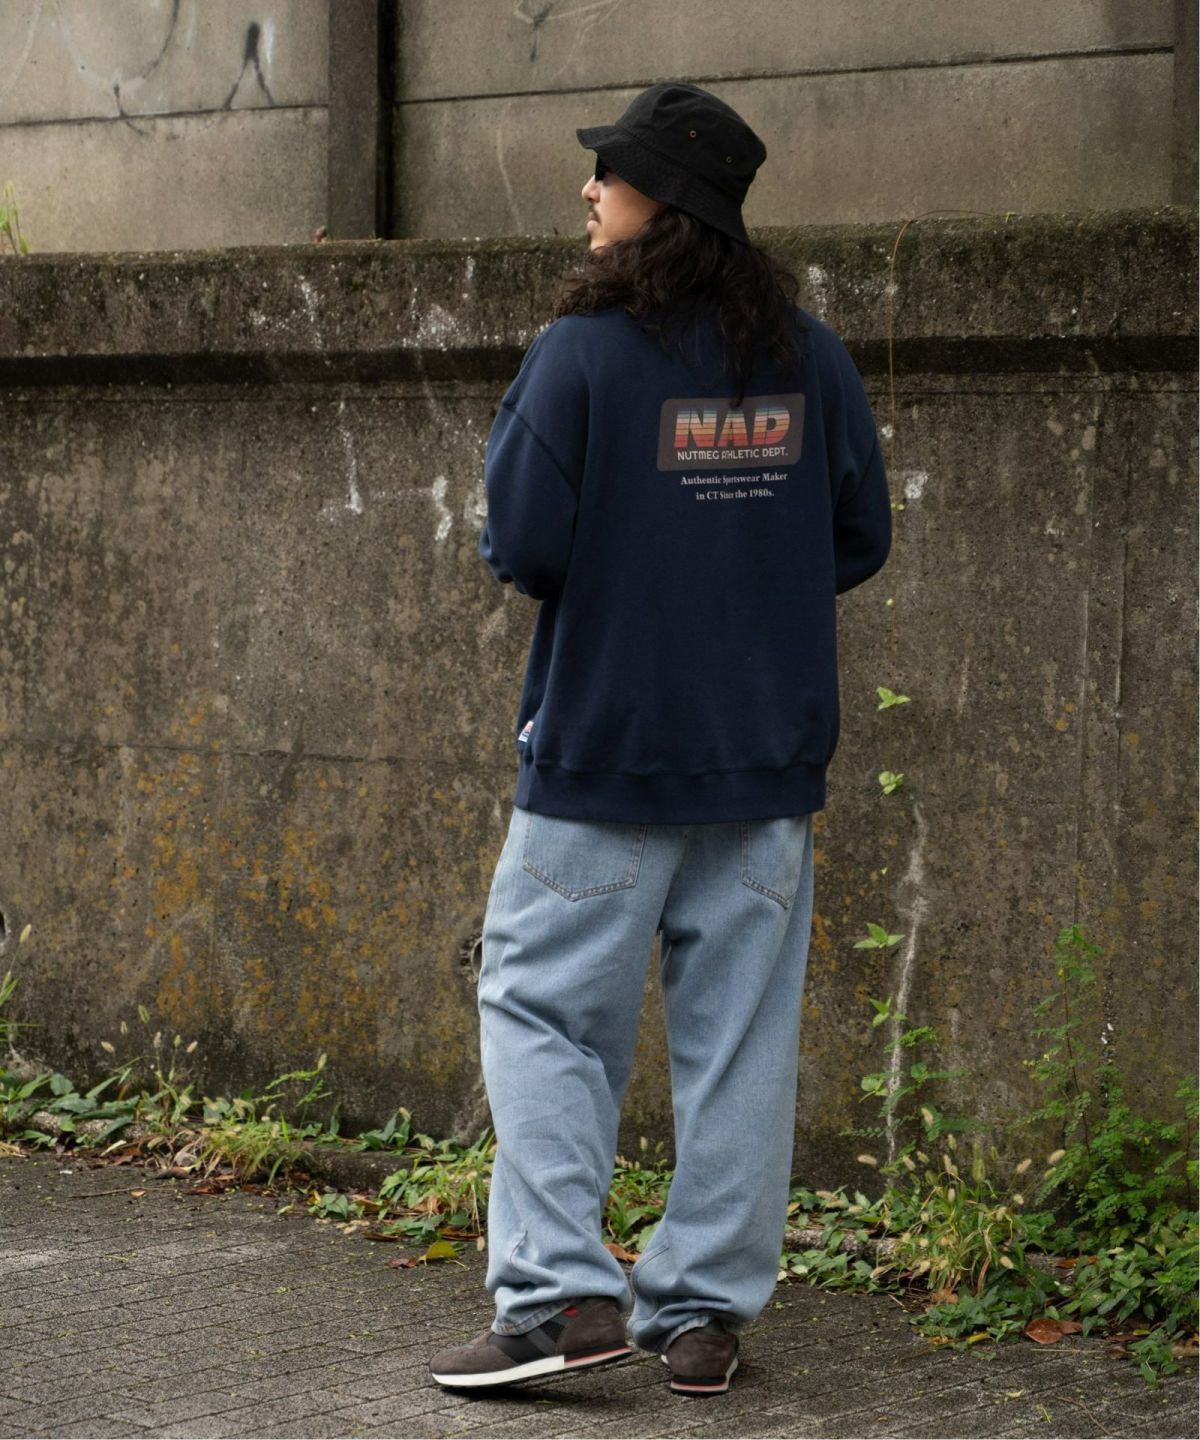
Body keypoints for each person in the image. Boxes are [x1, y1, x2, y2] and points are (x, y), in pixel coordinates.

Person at [429, 81, 891, 1398]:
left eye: (610, 174)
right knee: (740, 1041)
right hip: (762, 766)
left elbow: (523, 543)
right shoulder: (812, 358)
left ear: (665, 204)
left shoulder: (579, 357)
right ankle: (699, 1320)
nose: (588, 191)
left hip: (603, 758)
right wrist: (744, 583)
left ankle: (558, 1300)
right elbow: (858, 536)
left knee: (540, 1011)